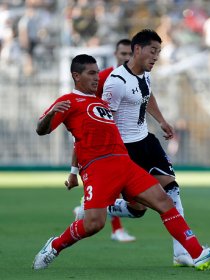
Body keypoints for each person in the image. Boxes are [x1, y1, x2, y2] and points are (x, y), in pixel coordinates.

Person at [32, 54, 210, 271]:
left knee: (164, 201)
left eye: (97, 73)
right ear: (76, 76)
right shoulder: (68, 102)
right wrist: (51, 114)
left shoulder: (101, 101)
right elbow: (41, 130)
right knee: (93, 224)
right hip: (98, 168)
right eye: (91, 73)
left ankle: (197, 253)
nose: (96, 78)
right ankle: (54, 245)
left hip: (125, 164)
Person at [71, 29, 194, 267]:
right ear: (135, 51)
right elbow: (104, 119)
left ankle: (182, 252)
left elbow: (147, 96)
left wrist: (162, 121)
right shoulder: (114, 82)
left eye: (159, 51)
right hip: (125, 149)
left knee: (172, 191)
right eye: (153, 50)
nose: (157, 56)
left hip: (146, 142)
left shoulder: (145, 74)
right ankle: (98, 208)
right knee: (138, 209)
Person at [71, 38, 135, 243]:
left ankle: (90, 208)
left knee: (129, 192)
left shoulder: (137, 78)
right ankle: (116, 228)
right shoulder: (104, 77)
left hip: (130, 138)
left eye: (129, 54)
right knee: (113, 185)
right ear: (116, 55)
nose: (126, 58)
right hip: (105, 142)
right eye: (123, 54)